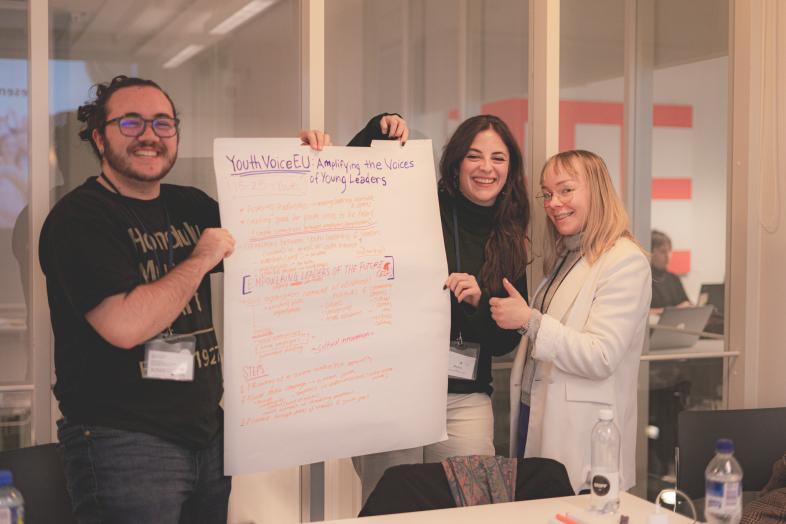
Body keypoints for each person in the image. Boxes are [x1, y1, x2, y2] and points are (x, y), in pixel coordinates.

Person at [38, 75, 328, 523]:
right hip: (124, 441)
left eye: (162, 123)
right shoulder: (79, 219)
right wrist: (202, 256)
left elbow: (280, 234)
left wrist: (302, 163)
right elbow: (125, 324)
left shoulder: (189, 205)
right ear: (99, 136)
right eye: (131, 123)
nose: (150, 135)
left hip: (207, 436)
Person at [317, 113, 530, 503]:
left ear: (510, 168)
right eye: (474, 156)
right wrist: (377, 128)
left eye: (498, 158)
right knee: (391, 505)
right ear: (455, 163)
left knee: (472, 507)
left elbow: (504, 343)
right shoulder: (418, 204)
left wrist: (480, 304)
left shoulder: (511, 235)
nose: (486, 168)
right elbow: (348, 191)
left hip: (466, 397)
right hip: (396, 389)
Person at [490, 149, 651, 494]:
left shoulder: (625, 261)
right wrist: (523, 321)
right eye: (547, 194)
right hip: (537, 414)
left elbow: (601, 355)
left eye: (565, 190)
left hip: (582, 433)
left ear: (597, 191)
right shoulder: (568, 255)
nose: (553, 203)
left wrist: (530, 321)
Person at [650, 229, 691, 313]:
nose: (668, 256)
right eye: (663, 251)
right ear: (650, 252)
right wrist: (675, 310)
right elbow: (643, 312)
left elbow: (686, 303)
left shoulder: (673, 278)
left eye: (669, 251)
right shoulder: (645, 278)